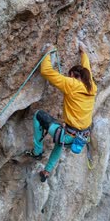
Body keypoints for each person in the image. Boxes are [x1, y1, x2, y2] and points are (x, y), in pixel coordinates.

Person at [25, 46, 97, 182]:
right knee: (60, 141)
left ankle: (37, 152)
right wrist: (83, 53)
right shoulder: (91, 85)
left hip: (69, 135)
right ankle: (47, 171)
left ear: (74, 76)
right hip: (80, 137)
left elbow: (46, 71)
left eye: (70, 76)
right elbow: (87, 68)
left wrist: (48, 51)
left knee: (39, 115)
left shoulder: (72, 84)